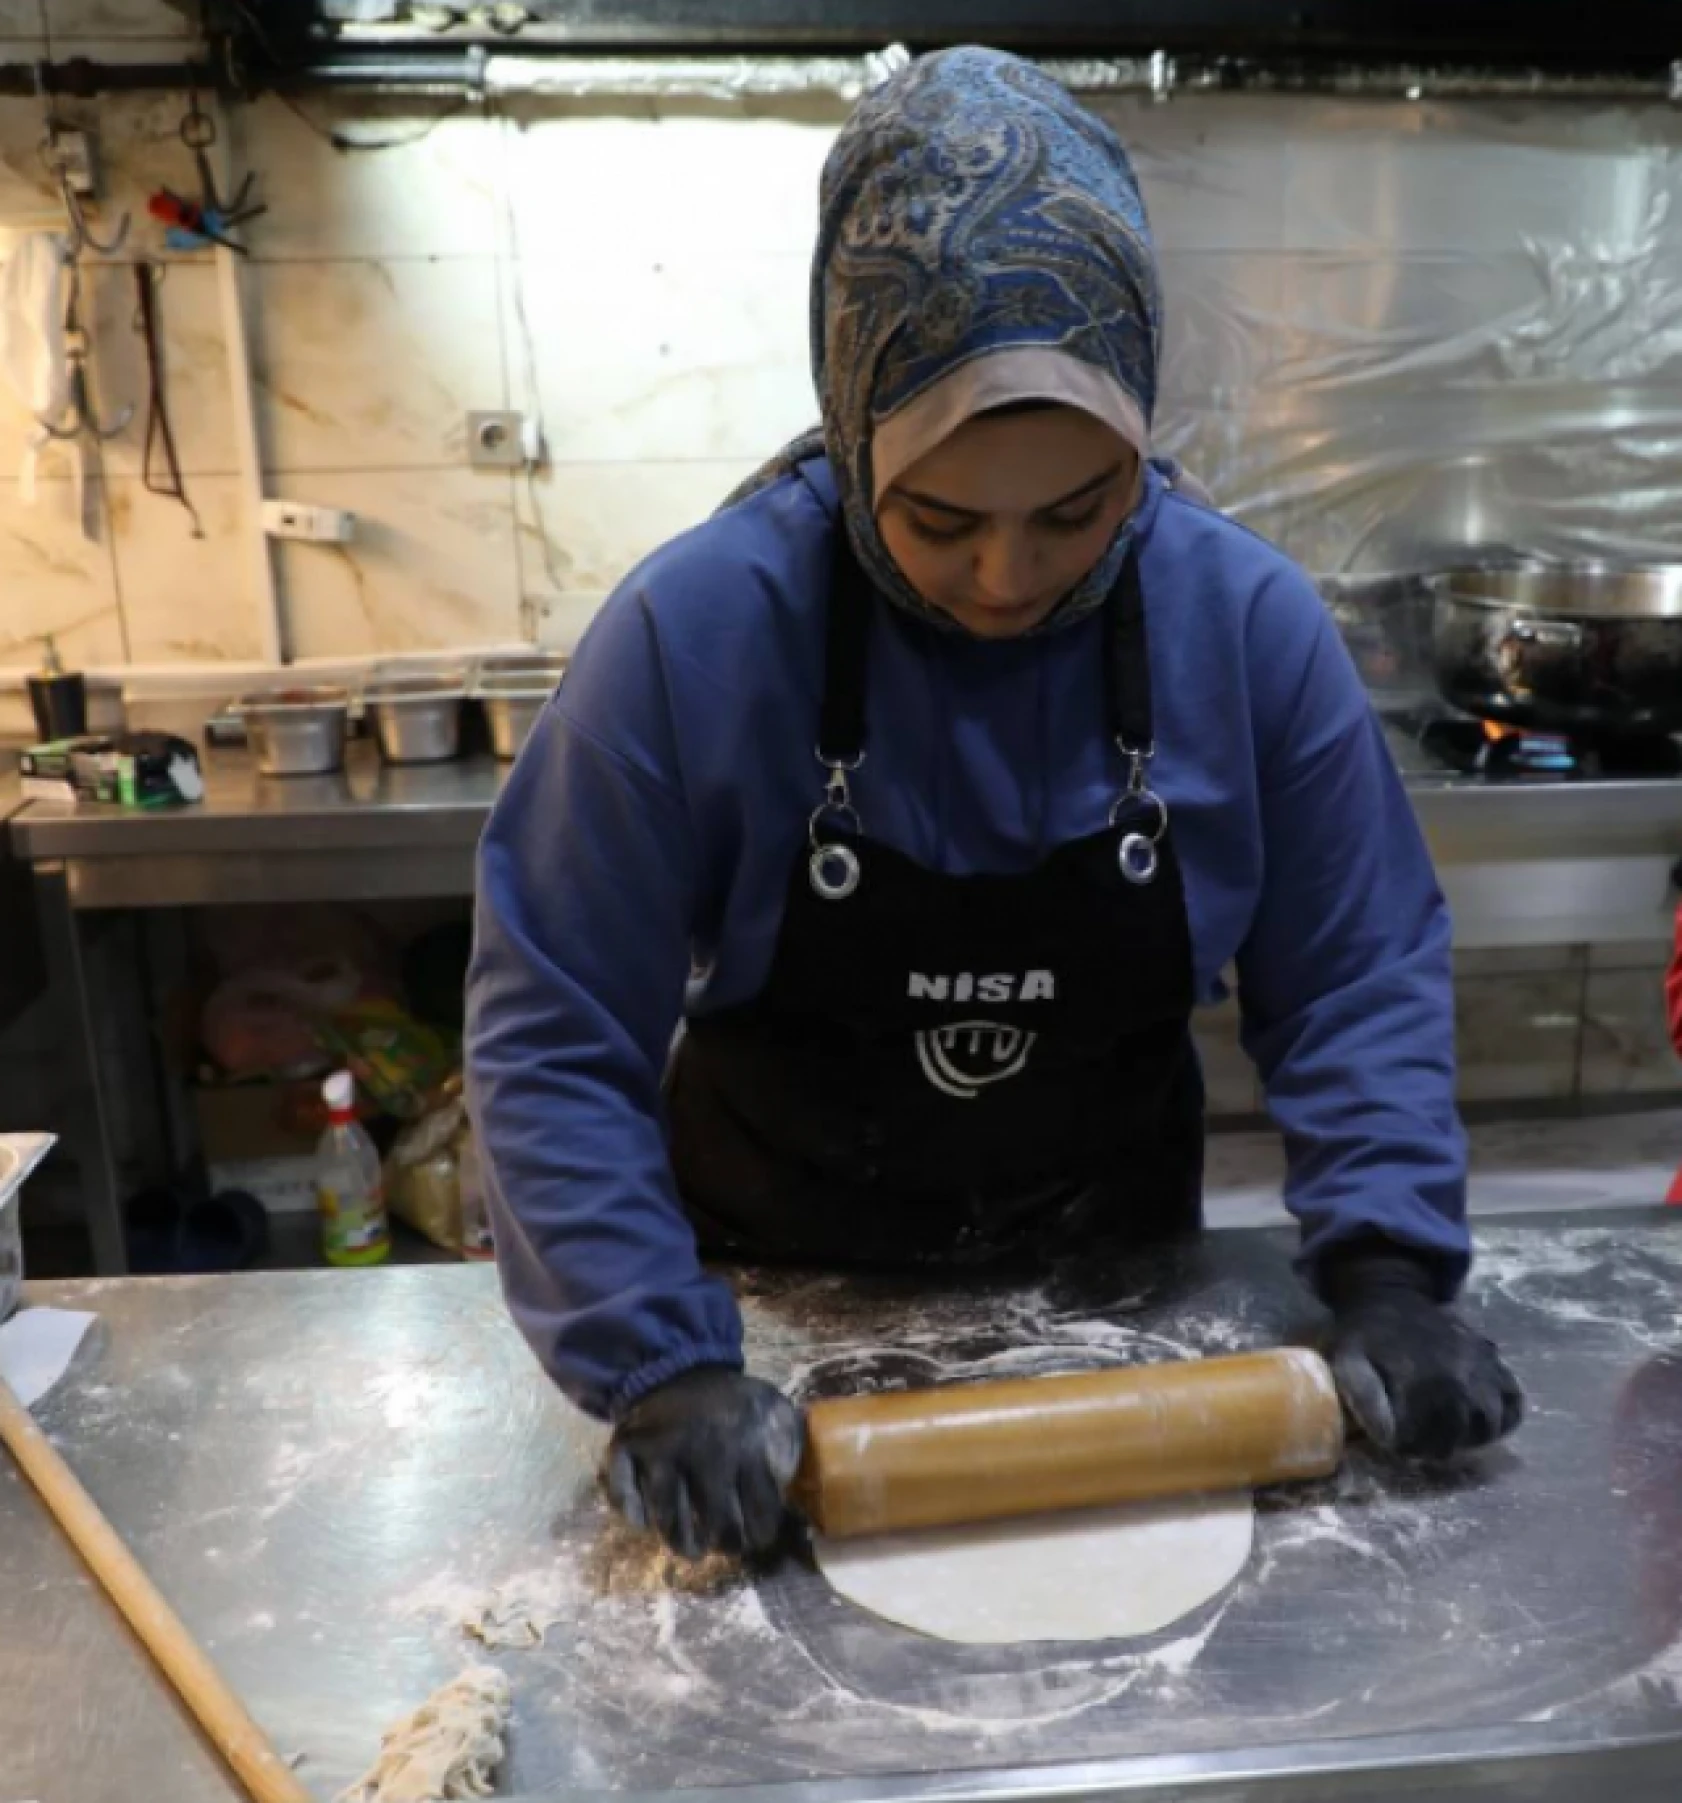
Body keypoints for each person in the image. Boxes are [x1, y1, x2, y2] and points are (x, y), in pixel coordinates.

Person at [466, 46, 1522, 1561]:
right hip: (766, 1305)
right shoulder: (693, 636)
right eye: (941, 517)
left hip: (1124, 1304)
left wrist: (1392, 1273)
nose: (1008, 577)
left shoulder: (1243, 627)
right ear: (854, 430)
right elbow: (556, 1028)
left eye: (1078, 511)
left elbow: (1355, 974)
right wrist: (657, 1356)